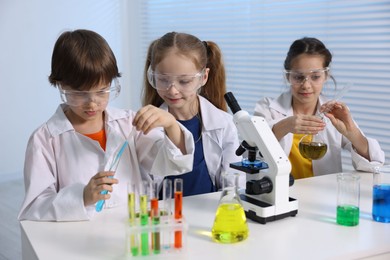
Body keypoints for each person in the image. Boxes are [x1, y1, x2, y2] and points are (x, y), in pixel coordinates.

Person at [18, 29, 195, 221]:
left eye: (102, 91)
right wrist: (82, 197)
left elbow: (171, 164)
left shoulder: (129, 124)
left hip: (134, 234)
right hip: (80, 240)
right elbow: (35, 207)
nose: (92, 103)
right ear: (61, 85)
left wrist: (171, 125)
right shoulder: (45, 139)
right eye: (80, 93)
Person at [254, 37, 384, 179]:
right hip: (280, 195)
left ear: (326, 75)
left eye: (315, 77)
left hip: (322, 195)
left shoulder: (334, 113)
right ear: (288, 77)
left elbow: (374, 164)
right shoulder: (267, 108)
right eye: (298, 77)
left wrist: (352, 131)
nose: (306, 85)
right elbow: (253, 154)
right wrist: (284, 126)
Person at [142, 32, 241, 196]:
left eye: (184, 81)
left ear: (203, 77)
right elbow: (142, 187)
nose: (172, 90)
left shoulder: (224, 124)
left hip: (208, 215)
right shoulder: (147, 126)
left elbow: (235, 184)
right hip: (164, 217)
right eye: (163, 80)